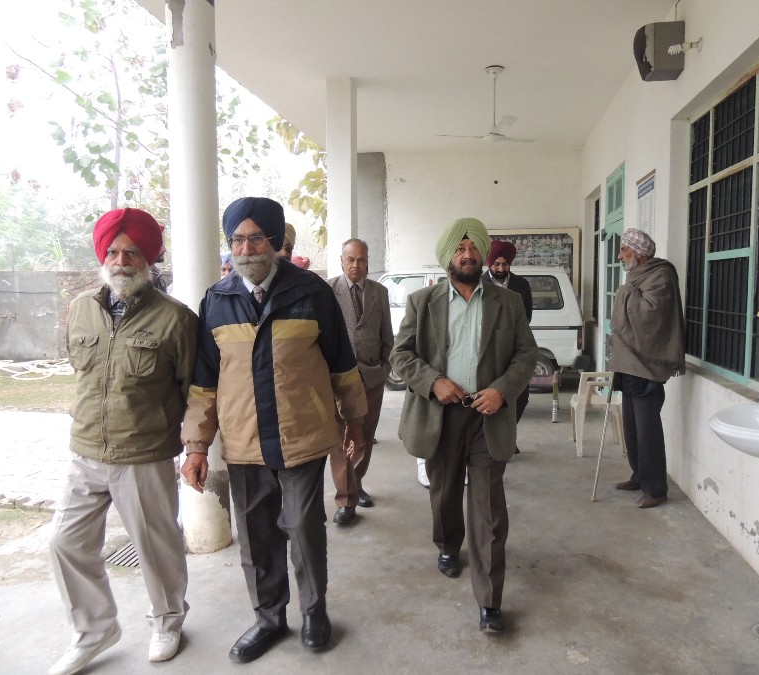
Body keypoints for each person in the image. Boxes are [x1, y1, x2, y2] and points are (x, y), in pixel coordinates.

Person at [180, 197, 367, 663]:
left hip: (302, 437)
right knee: (256, 536)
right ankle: (269, 619)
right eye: (237, 240)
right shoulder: (217, 300)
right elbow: (204, 383)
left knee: (304, 529)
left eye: (256, 238)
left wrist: (355, 422)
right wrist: (197, 445)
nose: (246, 249)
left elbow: (342, 365)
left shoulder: (312, 293)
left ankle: (314, 611)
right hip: (244, 443)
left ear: (276, 241)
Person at [48, 208, 198, 675]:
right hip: (86, 450)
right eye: (112, 252)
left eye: (132, 253)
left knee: (156, 547)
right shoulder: (81, 309)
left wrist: (194, 447)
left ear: (148, 259)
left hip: (144, 453)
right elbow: (82, 371)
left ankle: (168, 621)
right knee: (64, 543)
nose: (121, 261)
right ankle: (95, 630)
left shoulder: (175, 319)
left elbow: (193, 390)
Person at [391, 217, 537, 633]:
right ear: (447, 256)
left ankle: (490, 601)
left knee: (489, 507)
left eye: (474, 248)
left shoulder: (508, 302)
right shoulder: (422, 302)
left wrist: (502, 390)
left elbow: (526, 355)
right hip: (441, 415)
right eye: (459, 248)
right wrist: (433, 381)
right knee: (445, 492)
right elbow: (400, 356)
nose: (468, 255)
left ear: (484, 254)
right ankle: (448, 544)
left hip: (488, 416)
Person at [610, 228, 685, 509]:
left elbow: (649, 317)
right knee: (631, 428)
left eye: (624, 250)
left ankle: (656, 489)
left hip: (647, 368)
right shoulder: (637, 276)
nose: (620, 256)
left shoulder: (661, 276)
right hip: (629, 366)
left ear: (639, 254)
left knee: (647, 431)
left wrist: (626, 293)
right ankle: (639, 476)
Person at [327, 239, 394, 524]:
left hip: (372, 377)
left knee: (365, 435)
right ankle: (346, 500)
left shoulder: (380, 292)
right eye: (351, 259)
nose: (356, 265)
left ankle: (356, 483)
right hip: (338, 380)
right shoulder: (328, 290)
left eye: (362, 260)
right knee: (342, 437)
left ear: (368, 262)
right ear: (342, 261)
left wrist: (383, 368)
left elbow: (387, 334)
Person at [483, 239, 533, 450]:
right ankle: (489, 442)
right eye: (497, 264)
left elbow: (527, 316)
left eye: (505, 264)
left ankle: (506, 437)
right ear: (489, 264)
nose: (501, 269)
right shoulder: (479, 283)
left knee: (520, 396)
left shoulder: (522, 285)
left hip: (513, 349)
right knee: (489, 395)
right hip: (486, 351)